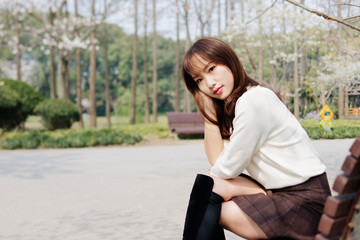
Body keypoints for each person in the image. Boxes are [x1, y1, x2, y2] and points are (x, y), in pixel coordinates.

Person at [181, 37, 331, 240]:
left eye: (211, 69)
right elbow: (217, 161)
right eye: (199, 80)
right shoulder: (240, 104)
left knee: (207, 197)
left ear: (229, 60)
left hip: (304, 204)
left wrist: (213, 181)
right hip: (288, 195)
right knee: (208, 190)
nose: (209, 83)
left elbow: (227, 169)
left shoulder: (254, 100)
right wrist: (210, 115)